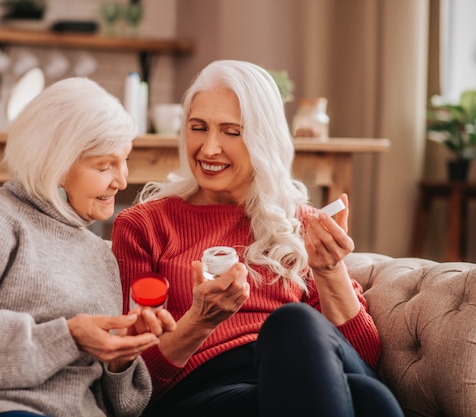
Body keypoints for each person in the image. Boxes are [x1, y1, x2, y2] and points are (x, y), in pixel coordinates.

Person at [111, 60, 404, 417]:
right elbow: (131, 382)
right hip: (204, 391)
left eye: (231, 132)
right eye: (198, 128)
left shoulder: (299, 223)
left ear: (264, 138)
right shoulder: (144, 226)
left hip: (302, 373)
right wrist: (200, 321)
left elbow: (365, 353)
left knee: (345, 371)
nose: (209, 149)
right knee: (368, 398)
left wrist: (329, 270)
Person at [0, 77, 176, 417]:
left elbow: (123, 407)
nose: (122, 180)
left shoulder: (101, 255)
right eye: (104, 165)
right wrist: (67, 337)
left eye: (124, 160)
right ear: (54, 166)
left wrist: (120, 359)